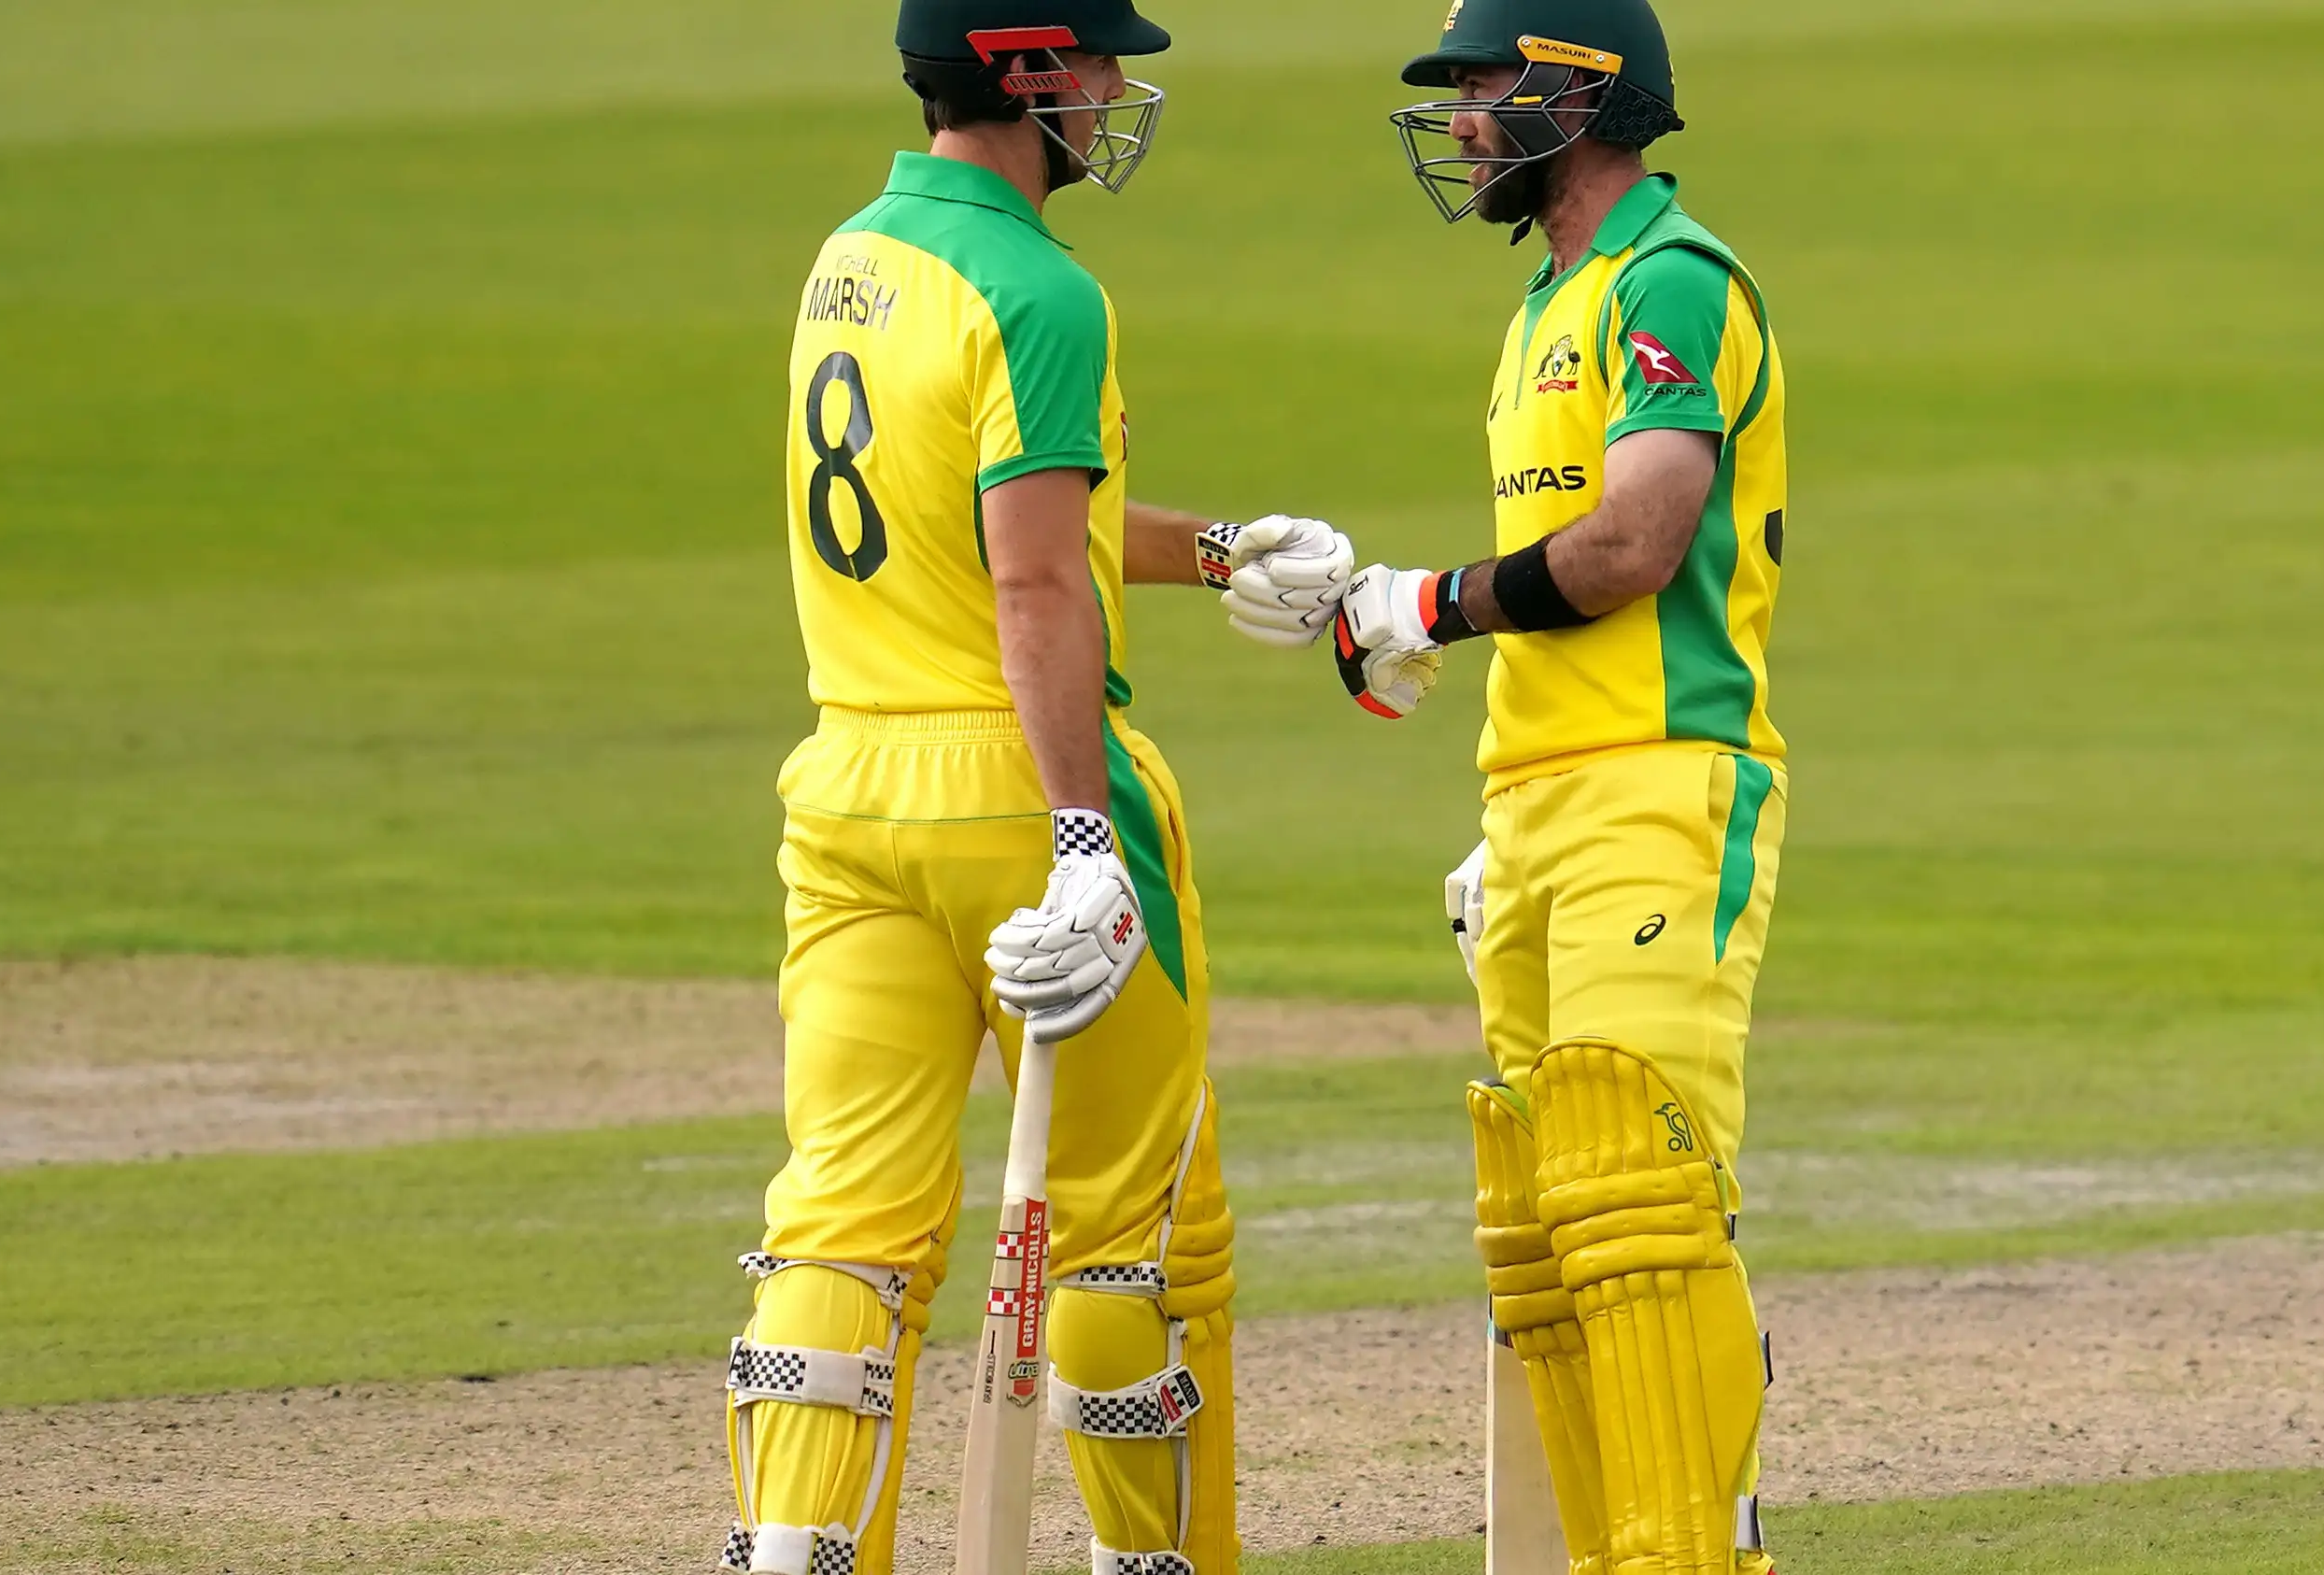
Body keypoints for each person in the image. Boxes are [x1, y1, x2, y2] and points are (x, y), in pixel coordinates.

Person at [733, 4, 1359, 1572]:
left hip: (850, 793)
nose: (1116, 90)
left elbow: (1013, 521)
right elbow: (1030, 582)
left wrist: (1216, 548)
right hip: (1025, 791)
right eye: (1096, 62)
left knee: (843, 1228)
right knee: (1130, 1236)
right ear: (1024, 71)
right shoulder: (1039, 288)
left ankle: (793, 1554)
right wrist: (1084, 831)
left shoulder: (851, 259)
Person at [1332, 3, 1790, 1571]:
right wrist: (1504, 812)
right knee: (1549, 1238)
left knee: (1642, 1207)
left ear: (1578, 95)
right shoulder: (1548, 304)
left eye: (1483, 86)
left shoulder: (1672, 280)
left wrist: (1433, 603)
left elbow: (1634, 544)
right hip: (1539, 806)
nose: (1462, 118)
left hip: (1661, 788)